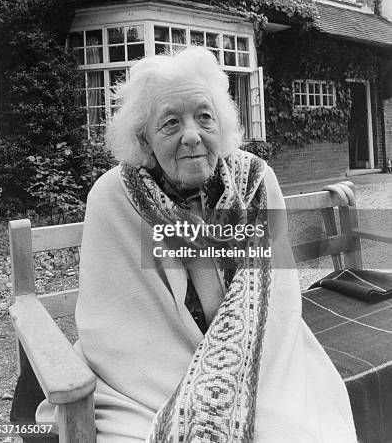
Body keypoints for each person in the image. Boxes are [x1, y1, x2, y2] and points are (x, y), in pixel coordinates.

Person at [38, 46, 357, 442]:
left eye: (204, 117)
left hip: (261, 358)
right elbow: (120, 331)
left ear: (220, 123)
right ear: (144, 137)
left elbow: (278, 301)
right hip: (150, 380)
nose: (192, 136)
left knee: (294, 430)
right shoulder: (113, 196)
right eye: (171, 123)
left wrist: (233, 380)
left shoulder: (257, 181)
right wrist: (201, 399)